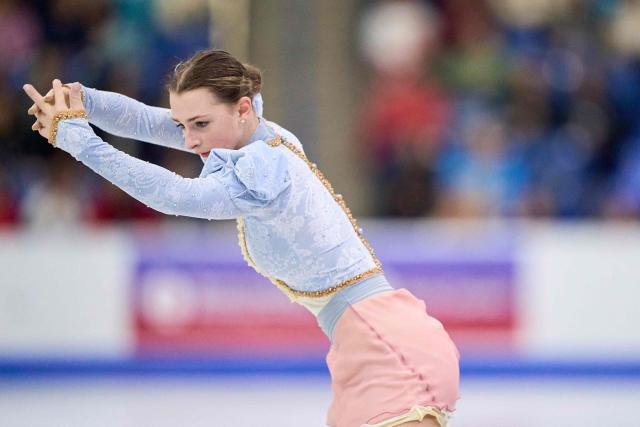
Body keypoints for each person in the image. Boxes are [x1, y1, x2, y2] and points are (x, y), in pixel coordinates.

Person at [22, 49, 460, 427]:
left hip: (387, 348)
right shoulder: (252, 137)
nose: (190, 140)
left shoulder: (265, 168)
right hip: (369, 343)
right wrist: (85, 102)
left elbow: (178, 195)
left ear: (243, 108)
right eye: (183, 125)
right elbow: (145, 121)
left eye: (199, 124)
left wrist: (78, 139)